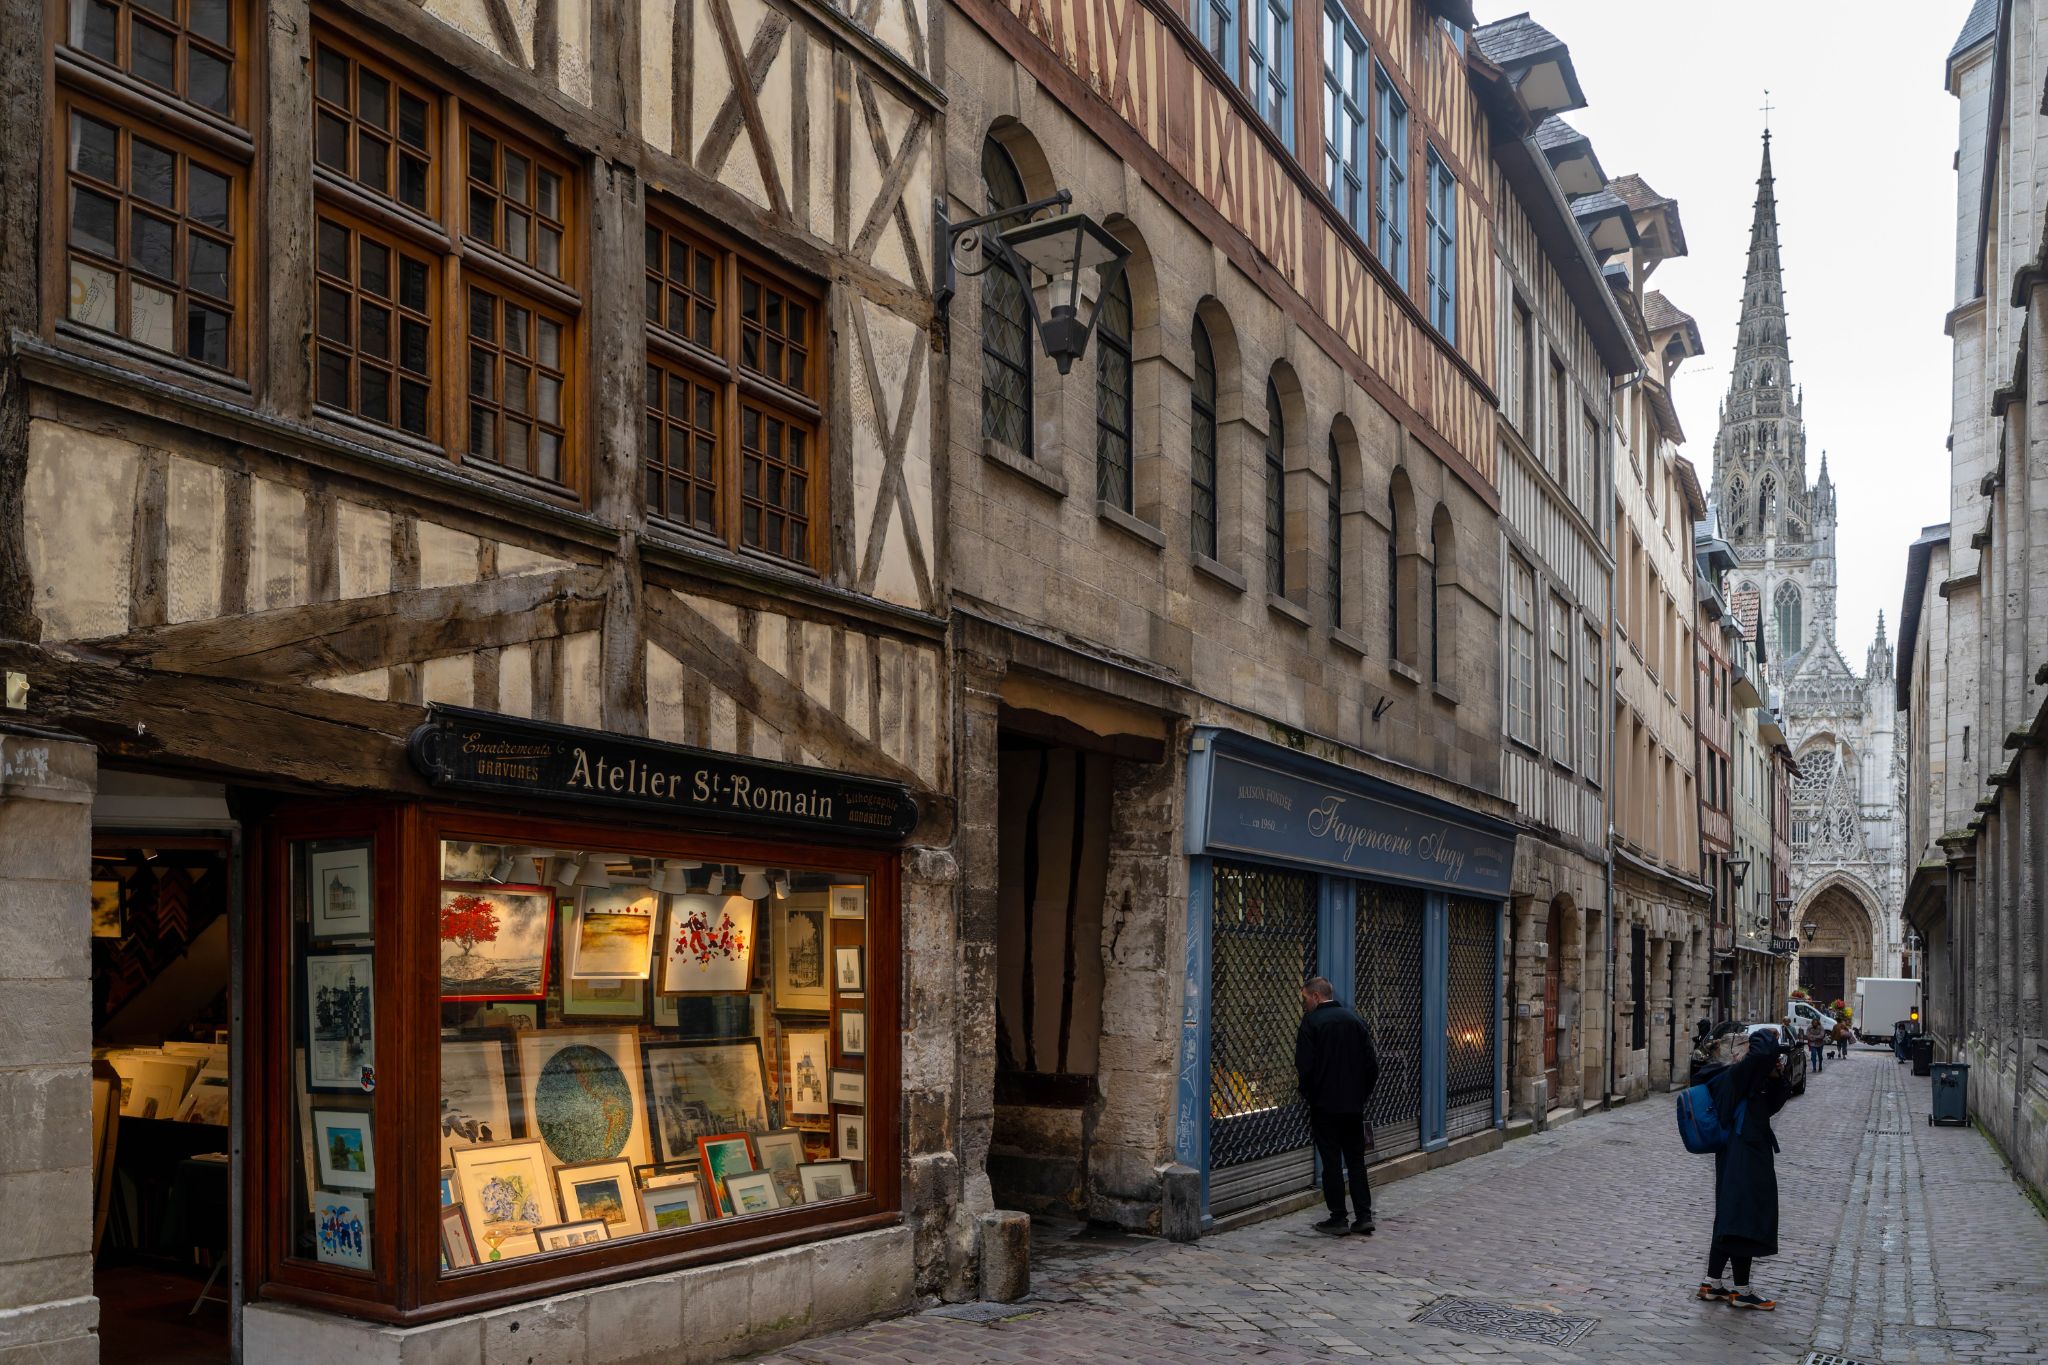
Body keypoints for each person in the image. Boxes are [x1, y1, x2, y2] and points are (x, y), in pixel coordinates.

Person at [1694, 1028, 1793, 1310]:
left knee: (1731, 1215)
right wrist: (1765, 1034)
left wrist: (1776, 1075)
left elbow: (1770, 1106)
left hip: (1746, 1150)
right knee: (1741, 1216)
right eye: (1745, 1045)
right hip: (1742, 1154)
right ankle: (1741, 1290)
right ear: (1736, 1053)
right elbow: (1762, 1051)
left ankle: (1712, 1282)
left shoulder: (1745, 1081)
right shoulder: (1731, 1077)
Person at [1295, 975, 1380, 1236]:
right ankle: (1364, 1216)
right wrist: (1360, 1095)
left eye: (1305, 999)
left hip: (1325, 1106)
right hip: (1353, 1107)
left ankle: (1338, 1217)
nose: (1304, 1005)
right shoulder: (1355, 1020)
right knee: (1356, 1161)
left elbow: (1304, 1067)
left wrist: (1311, 1096)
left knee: (1331, 1162)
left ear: (1317, 996)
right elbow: (1372, 1066)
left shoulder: (1312, 1023)